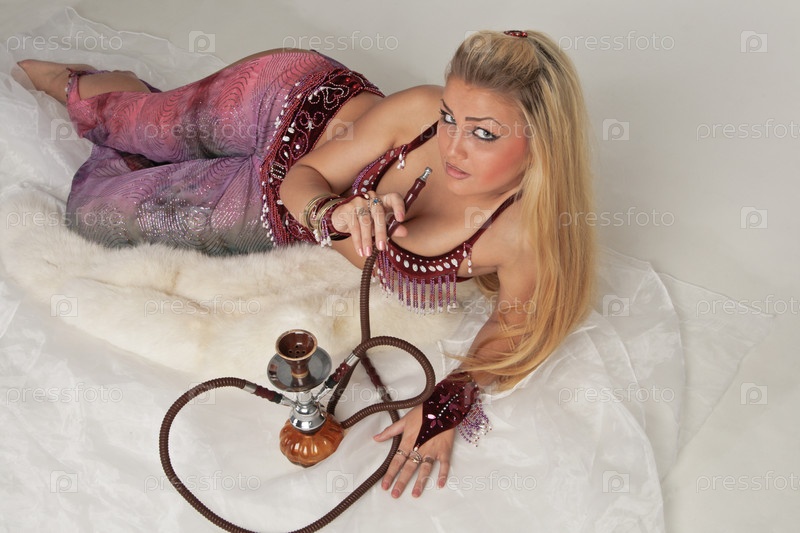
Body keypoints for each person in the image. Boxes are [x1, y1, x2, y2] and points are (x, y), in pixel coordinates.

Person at [18, 29, 595, 500]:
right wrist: (336, 212)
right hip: (288, 105)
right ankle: (106, 93)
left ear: (543, 139)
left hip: (265, 210)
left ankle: (145, 147)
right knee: (135, 121)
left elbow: (516, 323)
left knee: (92, 214)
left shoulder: (522, 233)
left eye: (484, 133)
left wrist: (446, 405)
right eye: (450, 117)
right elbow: (305, 176)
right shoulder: (416, 110)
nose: (453, 147)